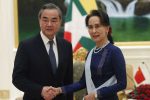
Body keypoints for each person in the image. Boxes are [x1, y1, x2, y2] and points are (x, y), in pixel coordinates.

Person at [52, 9, 127, 100]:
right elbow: (82, 83)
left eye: (97, 26)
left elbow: (122, 84)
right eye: (90, 27)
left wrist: (96, 94)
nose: (94, 31)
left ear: (107, 29)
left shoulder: (115, 52)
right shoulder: (90, 53)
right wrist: (60, 90)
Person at [12, 3, 73, 100]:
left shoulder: (66, 46)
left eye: (54, 20)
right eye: (45, 20)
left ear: (60, 22)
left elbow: (68, 81)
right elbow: (18, 79)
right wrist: (40, 90)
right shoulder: (26, 46)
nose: (49, 24)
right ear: (39, 21)